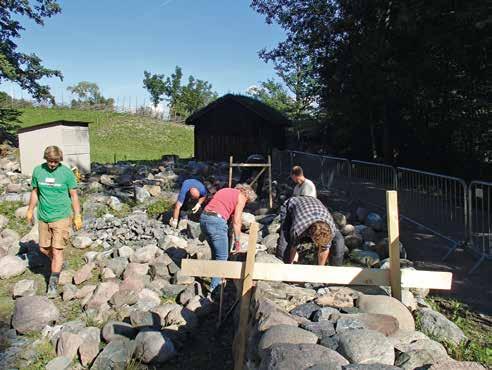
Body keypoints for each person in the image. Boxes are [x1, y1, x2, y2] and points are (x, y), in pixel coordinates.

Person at [26, 146, 82, 298]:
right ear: (46, 159)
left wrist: (77, 215)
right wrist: (30, 210)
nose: (52, 164)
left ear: (59, 160)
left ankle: (52, 284)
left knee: (57, 250)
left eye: (55, 162)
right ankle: (58, 263)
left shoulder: (66, 173)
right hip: (44, 216)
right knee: (44, 249)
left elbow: (74, 195)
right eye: (50, 161)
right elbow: (35, 192)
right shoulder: (38, 171)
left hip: (61, 216)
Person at [200, 184, 257, 292]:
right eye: (247, 201)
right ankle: (214, 289)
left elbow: (217, 205)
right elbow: (237, 221)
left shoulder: (225, 190)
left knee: (215, 254)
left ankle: (214, 279)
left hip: (204, 218)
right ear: (246, 194)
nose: (246, 203)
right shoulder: (241, 196)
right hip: (217, 222)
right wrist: (237, 240)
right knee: (222, 257)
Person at [276, 196, 344, 266]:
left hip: (314, 204)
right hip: (292, 203)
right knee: (285, 240)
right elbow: (293, 247)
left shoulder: (331, 229)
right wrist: (291, 263)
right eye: (318, 244)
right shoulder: (298, 228)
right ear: (311, 235)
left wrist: (320, 269)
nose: (319, 247)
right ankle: (280, 264)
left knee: (339, 241)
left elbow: (324, 249)